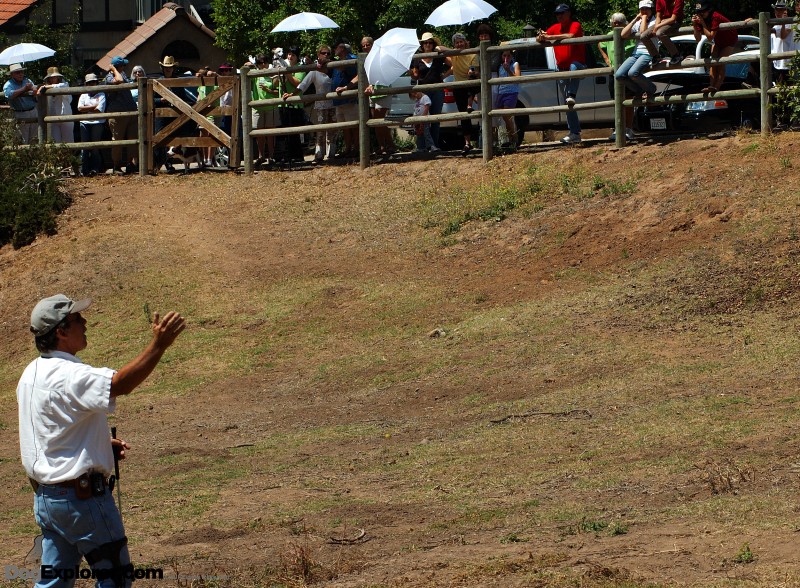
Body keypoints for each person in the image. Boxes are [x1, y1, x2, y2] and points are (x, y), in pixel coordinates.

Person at [17, 294, 185, 588]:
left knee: (54, 583)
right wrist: (158, 346)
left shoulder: (31, 374)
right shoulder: (68, 374)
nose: (85, 323)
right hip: (81, 503)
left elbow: (51, 433)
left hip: (48, 501)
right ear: (61, 331)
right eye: (77, 319)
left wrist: (97, 447)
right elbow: (121, 384)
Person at [537, 4, 586, 144]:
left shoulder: (575, 24)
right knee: (568, 105)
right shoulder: (554, 27)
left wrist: (550, 37)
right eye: (557, 14)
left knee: (573, 67)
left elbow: (570, 35)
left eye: (562, 13)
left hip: (579, 65)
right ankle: (574, 133)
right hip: (561, 69)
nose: (559, 16)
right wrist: (541, 37)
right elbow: (541, 38)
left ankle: (572, 94)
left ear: (568, 13)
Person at [615, 0, 659, 139]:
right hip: (636, 53)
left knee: (633, 73)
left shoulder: (654, 21)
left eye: (646, 9)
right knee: (620, 75)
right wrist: (635, 19)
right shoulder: (639, 20)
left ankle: (651, 89)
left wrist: (644, 19)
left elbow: (642, 33)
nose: (644, 11)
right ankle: (639, 91)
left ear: (651, 10)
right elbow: (623, 34)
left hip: (648, 53)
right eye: (642, 9)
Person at [284, 46, 336, 163]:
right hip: (321, 104)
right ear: (319, 54)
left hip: (334, 103)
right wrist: (292, 94)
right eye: (323, 53)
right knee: (320, 130)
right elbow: (303, 84)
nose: (326, 55)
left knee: (333, 129)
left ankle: (331, 154)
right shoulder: (314, 70)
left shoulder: (334, 67)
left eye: (328, 53)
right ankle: (319, 154)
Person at [599, 13, 637, 141]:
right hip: (614, 72)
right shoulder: (610, 36)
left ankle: (629, 129)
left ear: (625, 23)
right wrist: (606, 59)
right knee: (617, 102)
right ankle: (618, 128)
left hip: (628, 71)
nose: (616, 24)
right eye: (614, 22)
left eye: (620, 22)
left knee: (629, 101)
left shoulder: (631, 35)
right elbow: (600, 44)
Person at [412, 32, 450, 149]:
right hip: (423, 92)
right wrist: (411, 73)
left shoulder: (439, 55)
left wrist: (444, 76)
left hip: (438, 90)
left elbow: (454, 64)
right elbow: (415, 76)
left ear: (433, 44)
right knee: (422, 119)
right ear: (422, 45)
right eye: (425, 43)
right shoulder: (417, 58)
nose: (428, 44)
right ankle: (422, 146)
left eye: (430, 42)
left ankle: (435, 145)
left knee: (435, 118)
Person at [692, 1, 737, 94]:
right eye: (699, 12)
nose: (701, 14)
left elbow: (710, 37)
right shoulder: (701, 19)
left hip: (729, 40)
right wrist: (695, 25)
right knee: (713, 62)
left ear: (708, 10)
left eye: (703, 11)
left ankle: (717, 87)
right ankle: (711, 86)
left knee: (720, 63)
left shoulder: (715, 17)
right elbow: (698, 38)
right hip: (718, 41)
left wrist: (703, 23)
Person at [362, 36, 396, 156]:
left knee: (380, 120)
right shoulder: (365, 59)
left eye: (368, 44)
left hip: (383, 90)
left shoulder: (382, 56)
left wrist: (372, 84)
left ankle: (391, 145)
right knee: (376, 122)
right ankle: (382, 146)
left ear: (373, 45)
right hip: (372, 93)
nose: (366, 47)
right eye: (364, 45)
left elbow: (384, 72)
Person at [104, 56, 138, 175]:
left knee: (132, 139)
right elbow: (118, 81)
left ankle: (130, 164)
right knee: (117, 141)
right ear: (118, 66)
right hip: (117, 114)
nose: (125, 67)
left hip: (130, 112)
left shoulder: (122, 74)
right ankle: (116, 166)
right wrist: (113, 69)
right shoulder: (110, 76)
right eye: (123, 65)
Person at [448, 32, 478, 153]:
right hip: (459, 87)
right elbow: (440, 48)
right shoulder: (453, 55)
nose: (459, 44)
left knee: (472, 79)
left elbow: (476, 71)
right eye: (457, 42)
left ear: (466, 42)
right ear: (454, 45)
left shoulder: (472, 54)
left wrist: (472, 72)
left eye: (461, 41)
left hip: (471, 84)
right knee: (464, 115)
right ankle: (467, 143)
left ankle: (470, 103)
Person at [250, 53, 281, 167]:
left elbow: (277, 92)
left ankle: (271, 156)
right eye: (260, 63)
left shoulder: (273, 74)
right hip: (257, 107)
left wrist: (267, 89)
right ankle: (261, 156)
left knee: (270, 133)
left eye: (265, 62)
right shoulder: (254, 75)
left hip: (270, 107)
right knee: (259, 134)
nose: (263, 65)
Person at [278, 46, 307, 163]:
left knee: (294, 131)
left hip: (295, 105)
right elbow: (276, 83)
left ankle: (297, 156)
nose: (290, 57)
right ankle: (287, 155)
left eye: (293, 55)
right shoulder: (282, 66)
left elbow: (298, 83)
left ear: (297, 57)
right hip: (283, 104)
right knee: (285, 130)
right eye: (289, 54)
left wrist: (287, 71)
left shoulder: (300, 68)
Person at [332, 41, 359, 158]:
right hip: (339, 100)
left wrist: (346, 87)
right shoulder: (337, 61)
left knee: (354, 125)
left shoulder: (352, 58)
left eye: (336, 47)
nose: (334, 50)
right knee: (345, 127)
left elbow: (358, 75)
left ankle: (358, 149)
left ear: (342, 48)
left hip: (350, 99)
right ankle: (348, 149)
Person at [77, 73, 106, 177]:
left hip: (97, 123)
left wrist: (87, 108)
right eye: (89, 83)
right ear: (86, 84)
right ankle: (84, 170)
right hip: (84, 123)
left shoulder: (101, 94)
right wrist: (94, 106)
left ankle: (96, 169)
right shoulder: (83, 94)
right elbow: (80, 109)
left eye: (93, 82)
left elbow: (100, 110)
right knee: (84, 147)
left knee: (95, 147)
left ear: (96, 82)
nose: (91, 84)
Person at [640, 0, 685, 65]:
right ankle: (656, 56)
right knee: (643, 36)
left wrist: (657, 26)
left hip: (676, 21)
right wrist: (656, 26)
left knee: (659, 33)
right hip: (663, 21)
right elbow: (658, 16)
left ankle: (676, 54)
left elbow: (673, 19)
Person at [37, 67, 74, 144]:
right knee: (55, 142)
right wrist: (45, 87)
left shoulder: (64, 84)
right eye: (51, 77)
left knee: (68, 141)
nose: (53, 79)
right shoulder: (46, 89)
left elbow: (62, 86)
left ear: (58, 77)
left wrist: (45, 87)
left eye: (55, 77)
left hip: (65, 116)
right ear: (49, 78)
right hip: (53, 118)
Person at [3, 63, 38, 144]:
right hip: (20, 113)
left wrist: (33, 88)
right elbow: (9, 95)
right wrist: (24, 89)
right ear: (12, 74)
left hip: (33, 111)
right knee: (22, 139)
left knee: (34, 138)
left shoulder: (27, 80)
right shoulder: (8, 84)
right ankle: (24, 156)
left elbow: (35, 89)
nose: (20, 74)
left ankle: (33, 156)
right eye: (17, 72)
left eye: (21, 72)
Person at [497, 49, 521, 148]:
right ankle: (510, 140)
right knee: (505, 117)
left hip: (511, 92)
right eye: (504, 56)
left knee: (506, 115)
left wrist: (508, 70)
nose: (506, 58)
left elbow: (517, 78)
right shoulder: (499, 66)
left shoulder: (515, 64)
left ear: (511, 56)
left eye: (508, 56)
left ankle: (515, 136)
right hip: (501, 92)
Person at [771, 2, 796, 84]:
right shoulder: (774, 26)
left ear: (785, 11)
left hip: (786, 64)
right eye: (776, 10)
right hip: (776, 63)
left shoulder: (789, 23)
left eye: (780, 10)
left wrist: (783, 23)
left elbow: (783, 35)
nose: (778, 12)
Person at [409, 87, 438, 153]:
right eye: (414, 96)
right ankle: (420, 147)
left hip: (424, 119)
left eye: (416, 93)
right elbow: (415, 111)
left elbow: (426, 107)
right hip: (418, 120)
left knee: (426, 133)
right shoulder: (417, 100)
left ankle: (431, 146)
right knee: (419, 134)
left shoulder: (425, 97)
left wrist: (423, 117)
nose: (416, 96)